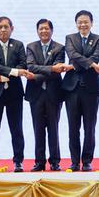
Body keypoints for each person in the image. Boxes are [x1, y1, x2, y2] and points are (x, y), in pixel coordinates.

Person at [0, 16, 33, 173]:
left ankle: (18, 162)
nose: (3, 29)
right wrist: (14, 72)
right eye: (0, 27)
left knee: (16, 128)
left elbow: (22, 65)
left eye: (6, 26)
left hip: (14, 93)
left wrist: (5, 76)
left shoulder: (18, 45)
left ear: (12, 28)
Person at [61, 10, 99, 172]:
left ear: (91, 23)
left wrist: (74, 65)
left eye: (86, 22)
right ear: (76, 23)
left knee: (90, 127)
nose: (83, 24)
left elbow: (96, 57)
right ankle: (74, 161)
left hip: (91, 89)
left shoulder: (98, 39)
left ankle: (86, 161)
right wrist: (90, 64)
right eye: (80, 22)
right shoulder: (70, 38)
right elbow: (72, 54)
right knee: (73, 127)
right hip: (72, 89)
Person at [25, 19, 67, 172]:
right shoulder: (31, 47)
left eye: (46, 28)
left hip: (53, 93)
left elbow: (58, 71)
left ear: (52, 30)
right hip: (35, 94)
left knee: (54, 128)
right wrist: (51, 69)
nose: (44, 31)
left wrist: (36, 76)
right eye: (41, 29)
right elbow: (30, 66)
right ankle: (39, 162)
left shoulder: (60, 48)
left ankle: (55, 161)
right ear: (37, 31)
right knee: (38, 129)